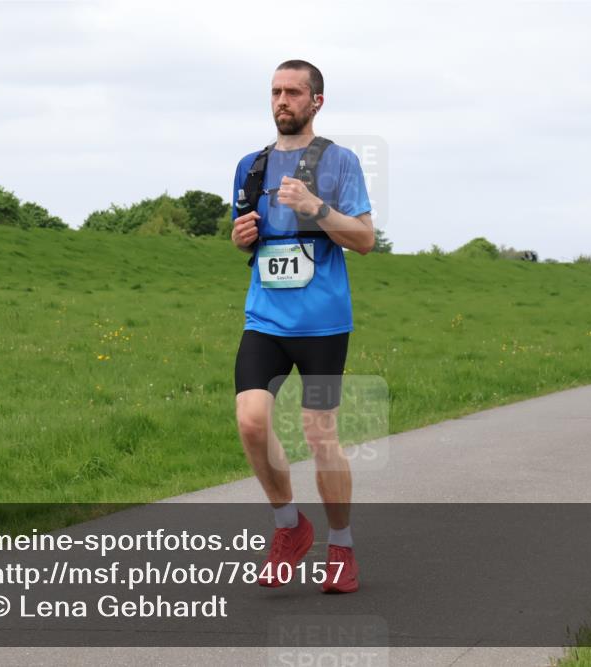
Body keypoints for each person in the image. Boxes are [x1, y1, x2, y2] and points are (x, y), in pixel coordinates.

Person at [230, 60, 374, 594]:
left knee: (320, 436)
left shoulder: (340, 162)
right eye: (275, 91)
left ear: (316, 101)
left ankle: (342, 547)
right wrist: (241, 237)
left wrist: (315, 207)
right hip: (265, 318)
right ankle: (289, 528)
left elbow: (363, 239)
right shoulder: (250, 165)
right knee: (250, 421)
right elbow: (242, 237)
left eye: (293, 91)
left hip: (323, 325)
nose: (282, 100)